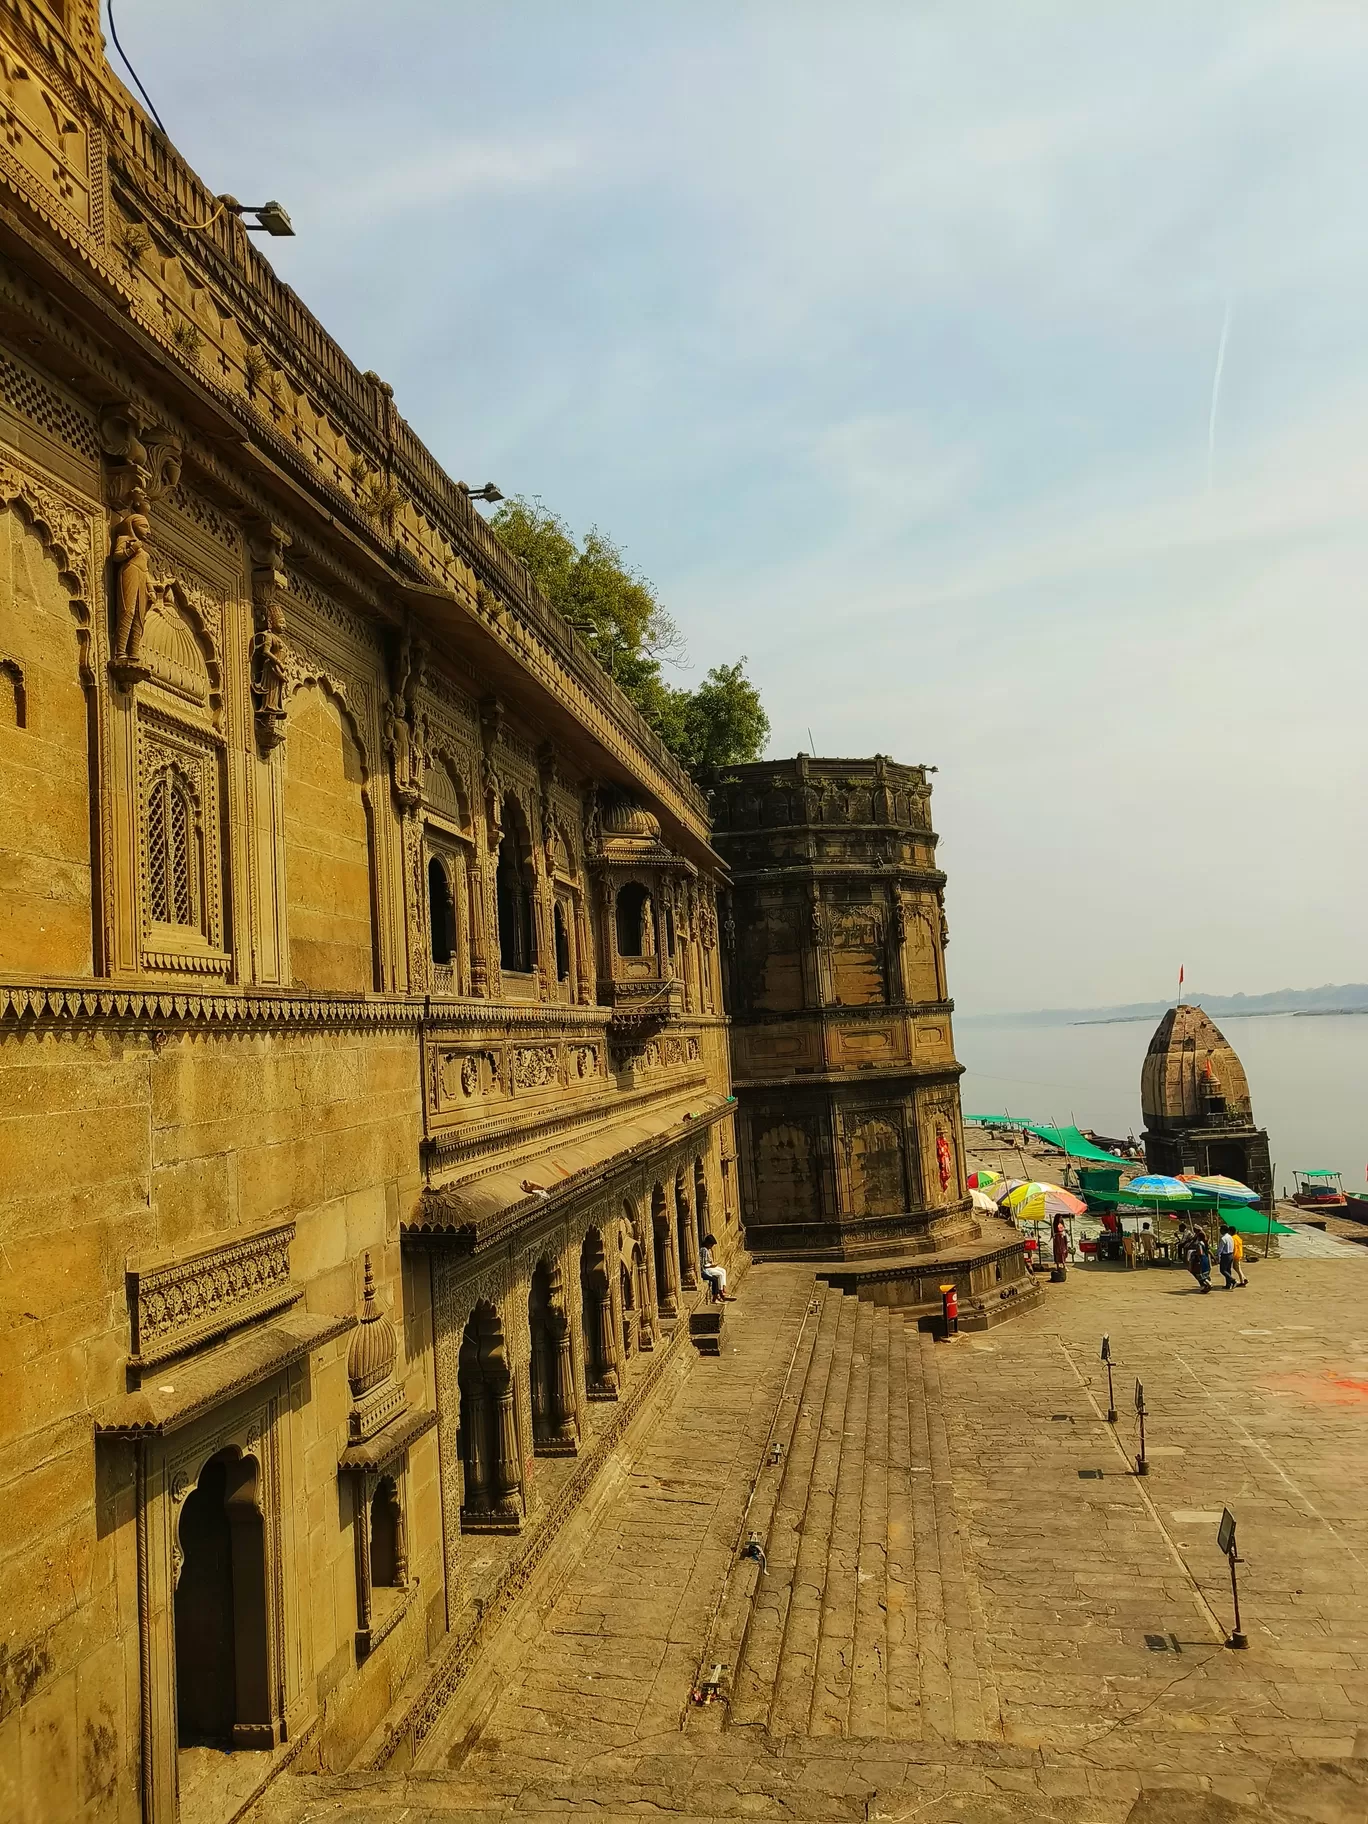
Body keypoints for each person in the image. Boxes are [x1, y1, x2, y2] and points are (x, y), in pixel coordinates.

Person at [700, 1233, 734, 1301]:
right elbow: (703, 1264)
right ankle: (721, 1292)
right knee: (720, 1274)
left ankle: (724, 1289)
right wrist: (712, 1265)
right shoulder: (703, 1250)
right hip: (706, 1269)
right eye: (711, 1244)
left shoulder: (707, 1250)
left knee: (723, 1271)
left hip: (710, 1266)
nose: (711, 1246)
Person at [1217, 1224, 1237, 1291]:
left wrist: (1218, 1256)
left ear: (1223, 1230)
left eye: (1220, 1229)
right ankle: (1228, 1284)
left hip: (1225, 1255)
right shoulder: (1230, 1237)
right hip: (1230, 1254)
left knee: (1223, 1270)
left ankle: (1233, 1280)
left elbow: (1220, 1249)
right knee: (1228, 1270)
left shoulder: (1223, 1239)